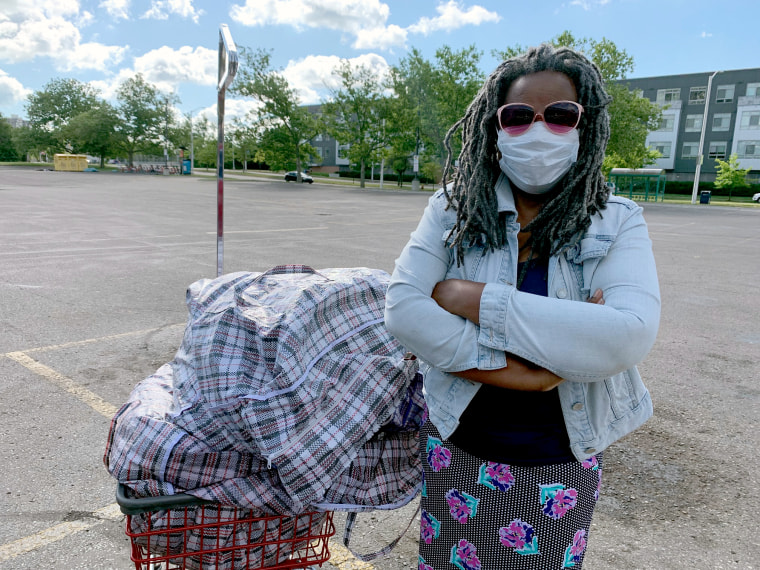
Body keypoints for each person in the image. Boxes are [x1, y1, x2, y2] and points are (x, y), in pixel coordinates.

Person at [384, 44, 660, 570]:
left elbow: (626, 337)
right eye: (518, 116)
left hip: (558, 461)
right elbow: (403, 311)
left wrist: (468, 298)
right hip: (457, 447)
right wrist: (525, 373)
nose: (538, 131)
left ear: (586, 125)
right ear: (495, 128)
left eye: (560, 115)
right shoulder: (452, 210)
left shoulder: (617, 221)